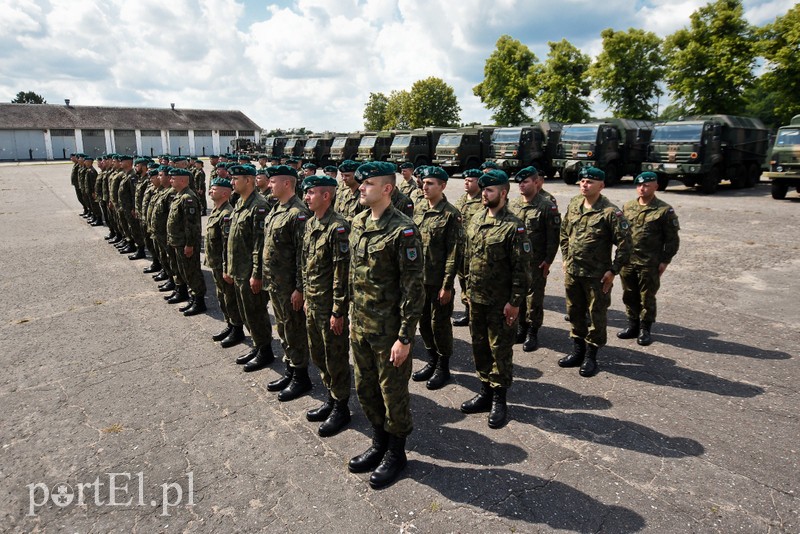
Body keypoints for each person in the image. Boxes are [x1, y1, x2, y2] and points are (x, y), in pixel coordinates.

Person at [347, 161, 424, 490]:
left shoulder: (403, 230)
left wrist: (405, 338)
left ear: (387, 189)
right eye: (361, 184)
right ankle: (378, 443)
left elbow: (413, 289)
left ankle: (396, 453)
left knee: (393, 395)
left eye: (369, 184)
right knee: (366, 389)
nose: (361, 188)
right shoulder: (358, 221)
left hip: (390, 332)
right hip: (361, 326)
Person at [460, 169, 531, 429]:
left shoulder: (515, 226)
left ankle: (499, 399)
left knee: (499, 350)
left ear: (502, 193)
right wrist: (466, 290)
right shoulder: (476, 218)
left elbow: (523, 270)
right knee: (479, 346)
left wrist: (515, 302)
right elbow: (468, 256)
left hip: (500, 303)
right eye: (483, 189)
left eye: (489, 190)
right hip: (476, 299)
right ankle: (484, 391)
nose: (483, 194)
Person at [559, 166, 631, 377]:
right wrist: (565, 258)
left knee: (596, 315)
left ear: (601, 185)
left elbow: (626, 245)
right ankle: (577, 351)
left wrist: (613, 271)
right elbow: (564, 233)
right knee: (574, 312)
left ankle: (591, 356)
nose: (584, 184)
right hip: (573, 272)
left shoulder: (611, 212)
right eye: (582, 181)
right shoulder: (574, 204)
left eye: (590, 182)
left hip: (596, 276)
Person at [301, 174, 352, 436]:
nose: (306, 197)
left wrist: (338, 310)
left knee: (336, 357)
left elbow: (341, 273)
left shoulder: (338, 228)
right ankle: (331, 398)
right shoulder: (311, 224)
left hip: (331, 306)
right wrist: (307, 297)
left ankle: (341, 406)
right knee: (318, 353)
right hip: (314, 302)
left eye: (310, 193)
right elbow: (305, 262)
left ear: (326, 196)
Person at [261, 165, 313, 400]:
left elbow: (304, 255)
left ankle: (301, 378)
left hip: (290, 286)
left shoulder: (298, 213)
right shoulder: (276, 209)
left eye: (273, 182)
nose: (269, 185)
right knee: (283, 328)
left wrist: (300, 288)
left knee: (294, 331)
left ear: (287, 184)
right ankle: (290, 370)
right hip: (276, 284)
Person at [410, 166, 463, 390]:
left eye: (430, 183)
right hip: (420, 280)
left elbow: (454, 252)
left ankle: (443, 366)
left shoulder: (451, 214)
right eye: (423, 182)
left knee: (439, 324)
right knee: (423, 323)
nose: (424, 186)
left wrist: (448, 285)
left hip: (439, 281)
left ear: (442, 186)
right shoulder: (420, 208)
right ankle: (431, 360)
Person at [618, 172, 680, 346]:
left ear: (655, 187)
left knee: (647, 297)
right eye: (639, 185)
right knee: (629, 294)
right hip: (628, 261)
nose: (641, 188)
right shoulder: (628, 206)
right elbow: (622, 233)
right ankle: (632, 325)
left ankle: (645, 329)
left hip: (649, 262)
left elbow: (672, 239)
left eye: (646, 185)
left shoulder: (664, 210)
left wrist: (665, 261)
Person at [223, 165, 275, 369]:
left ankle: (265, 350)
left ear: (249, 180)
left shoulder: (259, 206)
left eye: (236, 179)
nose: (232, 182)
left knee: (256, 312)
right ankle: (257, 344)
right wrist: (228, 267)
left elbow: (259, 245)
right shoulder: (239, 203)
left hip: (249, 272)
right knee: (246, 311)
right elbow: (231, 239)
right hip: (239, 269)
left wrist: (257, 274)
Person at [510, 166, 560, 351]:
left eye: (526, 182)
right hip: (516, 262)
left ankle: (533, 331)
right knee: (518, 295)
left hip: (536, 261)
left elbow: (553, 237)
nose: (522, 185)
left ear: (536, 182)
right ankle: (521, 328)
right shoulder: (513, 204)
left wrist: (548, 260)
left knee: (534, 299)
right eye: (520, 182)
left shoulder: (546, 206)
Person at [206, 177, 245, 347]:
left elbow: (227, 245)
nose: (209, 192)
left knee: (230, 298)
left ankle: (237, 329)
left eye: (213, 189)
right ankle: (230, 325)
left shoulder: (227, 214)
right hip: (215, 263)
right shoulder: (216, 211)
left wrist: (227, 268)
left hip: (223, 265)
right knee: (222, 297)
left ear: (224, 193)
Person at [166, 168, 207, 316]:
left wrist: (189, 244)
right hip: (178, 241)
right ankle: (190, 297)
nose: (170, 180)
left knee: (192, 272)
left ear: (183, 180)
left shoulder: (188, 198)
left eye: (173, 178)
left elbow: (192, 225)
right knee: (184, 270)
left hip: (186, 243)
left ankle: (199, 301)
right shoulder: (179, 195)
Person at [452, 168, 483, 327]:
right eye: (465, 180)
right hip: (461, 250)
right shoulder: (461, 200)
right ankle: (467, 311)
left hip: (476, 252)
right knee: (463, 281)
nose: (466, 182)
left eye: (470, 180)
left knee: (475, 284)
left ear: (479, 182)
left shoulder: (483, 201)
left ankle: (476, 315)